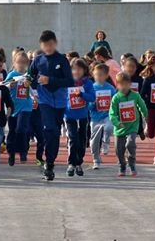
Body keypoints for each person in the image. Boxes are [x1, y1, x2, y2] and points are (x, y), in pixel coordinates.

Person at [29, 30, 72, 181]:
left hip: (60, 102)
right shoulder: (38, 60)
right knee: (49, 128)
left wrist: (50, 80)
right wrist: (30, 81)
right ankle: (47, 161)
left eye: (50, 44)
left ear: (55, 43)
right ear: (41, 45)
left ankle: (50, 162)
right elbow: (31, 76)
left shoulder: (62, 60)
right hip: (44, 100)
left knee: (55, 134)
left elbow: (69, 81)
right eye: (45, 45)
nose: (48, 47)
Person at [109, 71, 147, 177]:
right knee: (119, 149)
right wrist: (117, 123)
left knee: (130, 144)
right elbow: (112, 113)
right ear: (117, 85)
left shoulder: (135, 95)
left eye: (126, 84)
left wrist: (145, 114)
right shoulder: (116, 98)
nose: (123, 86)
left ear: (129, 84)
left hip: (132, 126)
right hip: (120, 128)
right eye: (121, 84)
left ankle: (132, 163)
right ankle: (122, 165)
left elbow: (142, 105)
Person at [65, 58, 95, 177]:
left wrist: (82, 94)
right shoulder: (67, 82)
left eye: (79, 69)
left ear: (84, 70)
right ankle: (71, 163)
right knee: (73, 139)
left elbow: (92, 97)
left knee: (82, 140)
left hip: (83, 116)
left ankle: (79, 162)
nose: (76, 72)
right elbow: (62, 96)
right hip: (70, 116)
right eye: (74, 69)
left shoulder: (87, 83)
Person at [5, 51, 32, 166]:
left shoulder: (28, 75)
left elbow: (34, 86)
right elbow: (4, 87)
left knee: (21, 129)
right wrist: (10, 85)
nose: (21, 64)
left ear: (27, 63)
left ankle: (23, 151)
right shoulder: (11, 75)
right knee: (12, 131)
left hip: (26, 106)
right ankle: (11, 153)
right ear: (14, 63)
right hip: (13, 106)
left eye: (23, 62)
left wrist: (28, 84)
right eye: (18, 62)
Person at [88, 63, 114, 170]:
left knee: (109, 127)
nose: (99, 77)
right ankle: (96, 159)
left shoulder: (111, 88)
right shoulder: (92, 88)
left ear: (106, 75)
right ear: (93, 75)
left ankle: (106, 142)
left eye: (101, 75)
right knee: (94, 141)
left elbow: (115, 101)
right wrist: (92, 103)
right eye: (97, 75)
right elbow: (88, 105)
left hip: (107, 115)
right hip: (95, 117)